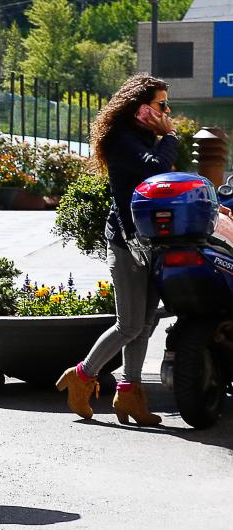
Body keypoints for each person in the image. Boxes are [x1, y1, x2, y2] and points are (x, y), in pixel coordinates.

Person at [55, 74, 178, 425]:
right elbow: (154, 169)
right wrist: (169, 136)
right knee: (129, 325)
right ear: (141, 109)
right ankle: (81, 376)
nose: (167, 111)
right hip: (127, 241)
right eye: (161, 105)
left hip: (151, 240)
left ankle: (129, 394)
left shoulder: (143, 136)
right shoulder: (123, 139)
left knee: (146, 321)